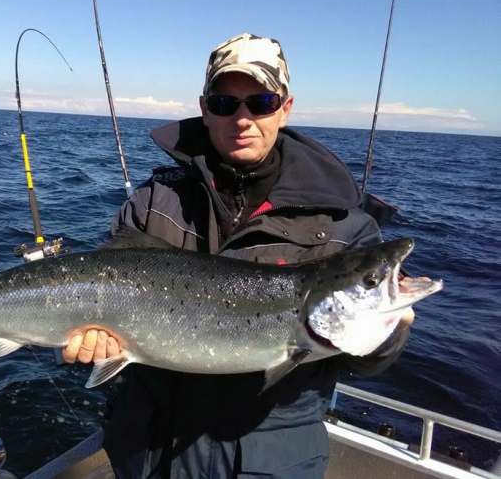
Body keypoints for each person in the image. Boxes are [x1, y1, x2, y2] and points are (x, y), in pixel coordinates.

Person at [62, 33, 414, 478]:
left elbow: (364, 363)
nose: (243, 119)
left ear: (285, 109)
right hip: (149, 454)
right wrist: (90, 346)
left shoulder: (347, 226)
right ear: (205, 109)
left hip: (270, 463)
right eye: (225, 103)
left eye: (262, 102)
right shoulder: (153, 203)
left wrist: (387, 330)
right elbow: (97, 298)